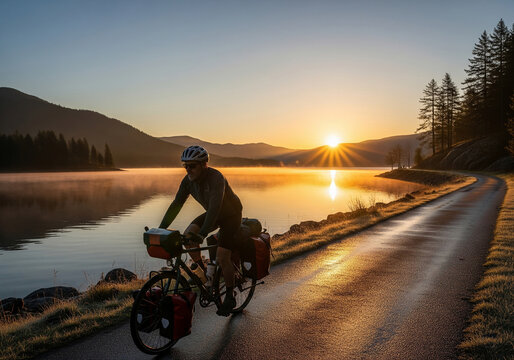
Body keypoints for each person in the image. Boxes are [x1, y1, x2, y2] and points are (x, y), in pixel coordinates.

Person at [159, 145, 243, 316]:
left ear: (204, 164)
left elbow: (214, 207)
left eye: (192, 166)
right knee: (188, 236)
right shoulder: (187, 181)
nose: (188, 169)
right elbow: (176, 204)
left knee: (222, 256)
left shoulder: (216, 178)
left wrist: (203, 234)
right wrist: (161, 228)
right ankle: (206, 274)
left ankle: (229, 296)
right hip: (214, 213)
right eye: (186, 166)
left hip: (230, 215)